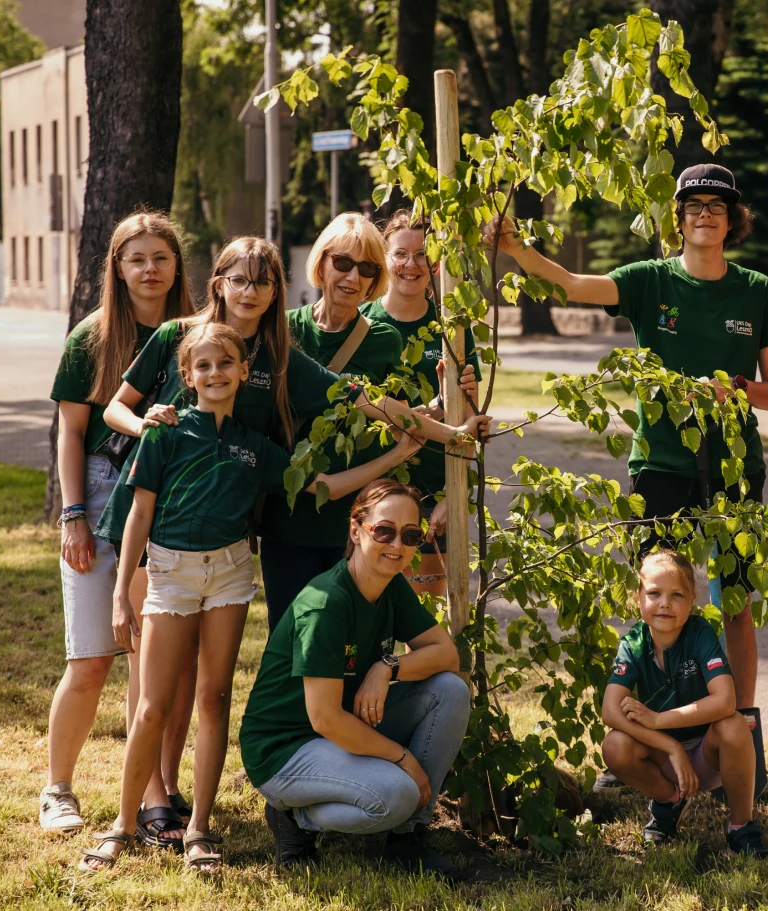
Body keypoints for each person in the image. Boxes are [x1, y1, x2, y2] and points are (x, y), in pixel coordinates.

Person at [95, 235, 485, 849]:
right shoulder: (177, 337)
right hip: (156, 520)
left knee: (210, 685)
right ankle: (151, 801)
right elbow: (116, 406)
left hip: (223, 529)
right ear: (217, 281)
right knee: (153, 680)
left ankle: (197, 816)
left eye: (263, 282)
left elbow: (364, 402)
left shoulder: (277, 359)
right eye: (239, 279)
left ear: (277, 291)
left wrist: (447, 432)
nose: (250, 292)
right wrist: (147, 423)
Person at [486, 164, 768, 792]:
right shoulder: (650, 281)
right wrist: (515, 250)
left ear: (733, 221)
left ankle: (742, 738)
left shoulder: (756, 290)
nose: (705, 214)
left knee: (735, 605)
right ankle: (648, 739)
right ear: (678, 218)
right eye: (693, 205)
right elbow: (569, 284)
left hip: (733, 466)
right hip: (662, 466)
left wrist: (739, 390)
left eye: (717, 206)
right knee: (658, 604)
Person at [40, 211, 196, 836]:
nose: (150, 269)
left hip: (171, 503)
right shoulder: (92, 337)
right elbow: (72, 433)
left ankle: (155, 791)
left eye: (161, 257)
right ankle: (57, 789)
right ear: (118, 267)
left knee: (149, 661)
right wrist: (73, 514)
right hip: (103, 492)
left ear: (177, 264)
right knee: (91, 659)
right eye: (138, 259)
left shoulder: (198, 333)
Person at [240, 479, 470, 878]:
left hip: (339, 728)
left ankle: (407, 839)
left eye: (411, 535)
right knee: (396, 793)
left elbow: (447, 655)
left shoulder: (392, 586)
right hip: (286, 747)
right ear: (355, 530)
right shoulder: (326, 604)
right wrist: (405, 760)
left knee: (449, 691)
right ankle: (294, 818)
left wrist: (388, 666)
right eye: (384, 531)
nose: (397, 545)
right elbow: (325, 719)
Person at [259, 213, 479, 627]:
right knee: (286, 636)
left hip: (356, 523)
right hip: (289, 517)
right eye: (343, 263)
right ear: (321, 262)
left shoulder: (383, 340)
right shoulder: (285, 331)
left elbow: (392, 415)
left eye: (366, 269)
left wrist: (444, 416)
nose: (352, 277)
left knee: (346, 638)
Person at [601, 551, 768, 857]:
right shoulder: (634, 643)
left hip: (709, 754)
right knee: (614, 745)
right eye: (654, 593)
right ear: (638, 598)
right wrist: (670, 746)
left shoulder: (700, 634)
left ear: (692, 600)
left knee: (733, 725)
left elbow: (725, 701)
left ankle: (741, 826)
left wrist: (657, 720)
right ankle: (670, 801)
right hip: (665, 759)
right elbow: (610, 711)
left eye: (676, 595)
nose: (664, 603)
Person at [362, 209, 482, 598]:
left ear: (436, 262)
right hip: (370, 495)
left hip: (434, 500)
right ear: (384, 259)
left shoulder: (453, 331)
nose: (411, 265)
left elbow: (471, 425)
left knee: (424, 622)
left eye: (422, 255)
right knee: (369, 620)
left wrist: (454, 493)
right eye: (400, 254)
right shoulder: (361, 325)